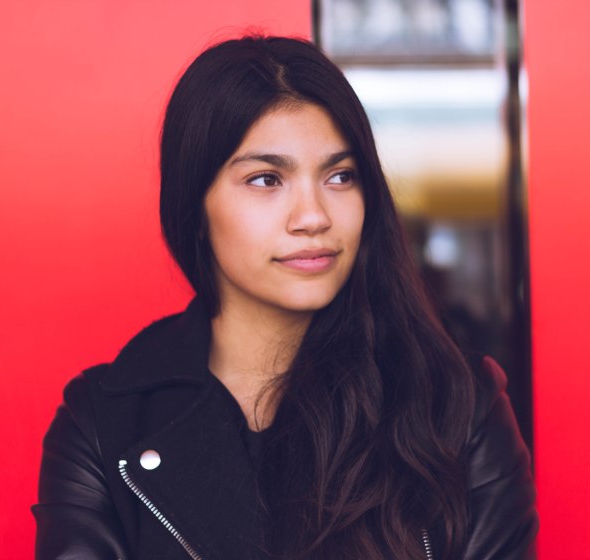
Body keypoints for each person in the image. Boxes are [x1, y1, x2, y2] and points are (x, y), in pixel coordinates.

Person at [32, 35, 537, 559]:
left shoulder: (456, 405)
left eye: (341, 176)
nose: (314, 216)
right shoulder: (103, 424)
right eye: (267, 179)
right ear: (195, 207)